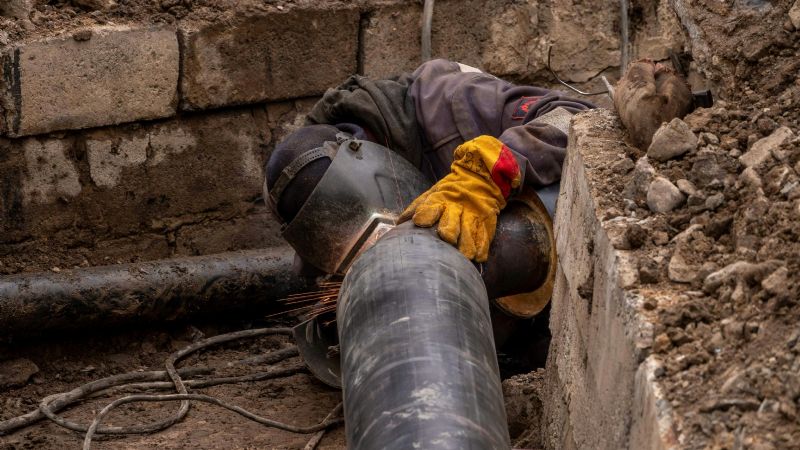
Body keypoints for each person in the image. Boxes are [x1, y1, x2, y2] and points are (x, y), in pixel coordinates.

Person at [265, 59, 595, 265]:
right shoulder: (315, 187)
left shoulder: (451, 100)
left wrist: (493, 169)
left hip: (557, 247)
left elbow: (577, 117)